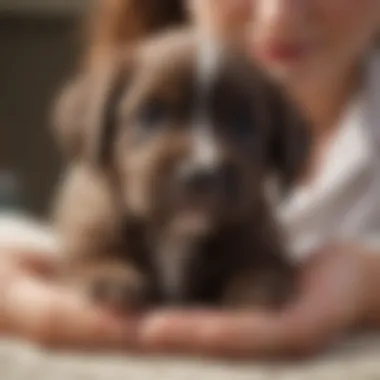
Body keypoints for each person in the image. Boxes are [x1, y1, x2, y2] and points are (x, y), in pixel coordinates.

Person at [1, 0, 380, 357]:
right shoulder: (117, 97)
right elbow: (42, 246)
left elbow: (265, 268)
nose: (277, 13)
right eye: (152, 118)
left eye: (241, 124)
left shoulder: (253, 230)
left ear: (283, 150)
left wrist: (368, 286)